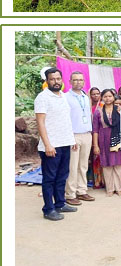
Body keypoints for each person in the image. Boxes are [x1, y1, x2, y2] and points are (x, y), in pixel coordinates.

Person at [34, 68, 77, 220]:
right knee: (49, 178)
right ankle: (48, 209)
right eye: (52, 79)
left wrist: (71, 140)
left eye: (58, 78)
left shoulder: (63, 97)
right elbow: (40, 123)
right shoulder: (42, 98)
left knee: (62, 177)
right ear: (47, 81)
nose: (56, 82)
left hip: (65, 143)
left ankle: (60, 203)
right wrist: (47, 145)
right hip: (51, 146)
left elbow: (66, 120)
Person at [64, 72, 95, 206]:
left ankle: (82, 191)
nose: (78, 82)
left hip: (86, 134)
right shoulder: (65, 97)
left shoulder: (85, 97)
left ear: (84, 82)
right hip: (73, 135)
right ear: (70, 81)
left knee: (83, 165)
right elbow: (64, 119)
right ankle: (70, 194)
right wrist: (70, 137)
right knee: (72, 166)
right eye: (75, 80)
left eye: (80, 80)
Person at [92, 89, 121, 197]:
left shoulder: (120, 110)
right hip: (104, 140)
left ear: (113, 97)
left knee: (119, 163)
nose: (108, 98)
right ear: (102, 98)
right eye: (105, 96)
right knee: (106, 164)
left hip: (118, 140)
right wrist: (95, 145)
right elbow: (95, 130)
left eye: (110, 96)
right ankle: (110, 188)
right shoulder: (98, 112)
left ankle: (118, 188)